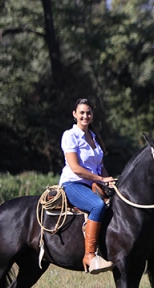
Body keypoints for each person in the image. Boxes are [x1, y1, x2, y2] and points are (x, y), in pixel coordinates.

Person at [59, 99, 116, 274]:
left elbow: (100, 165)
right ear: (74, 114)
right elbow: (76, 168)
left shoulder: (94, 138)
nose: (85, 116)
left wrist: (109, 180)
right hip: (73, 183)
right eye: (82, 112)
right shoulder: (70, 135)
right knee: (97, 205)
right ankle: (90, 256)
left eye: (89, 112)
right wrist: (100, 179)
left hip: (93, 183)